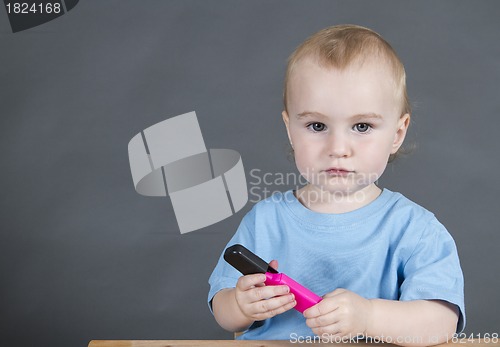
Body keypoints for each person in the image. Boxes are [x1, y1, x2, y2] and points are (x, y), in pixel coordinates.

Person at [207, 24, 465, 346]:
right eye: (317, 125)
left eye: (361, 126)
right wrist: (240, 304)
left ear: (397, 134)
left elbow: (441, 324)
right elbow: (223, 311)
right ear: (290, 129)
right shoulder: (266, 221)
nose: (338, 147)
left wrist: (368, 316)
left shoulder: (415, 229)